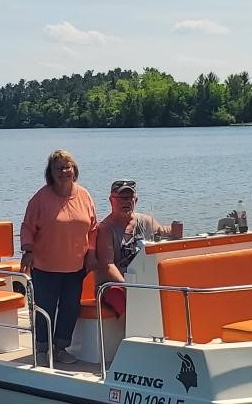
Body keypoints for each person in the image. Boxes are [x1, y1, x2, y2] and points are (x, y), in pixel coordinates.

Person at [20, 149, 97, 364]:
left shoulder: (84, 195)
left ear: (74, 170)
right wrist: (28, 250)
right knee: (44, 308)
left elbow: (93, 229)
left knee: (70, 309)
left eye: (67, 166)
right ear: (50, 173)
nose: (64, 171)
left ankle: (61, 348)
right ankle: (42, 349)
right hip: (46, 266)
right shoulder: (40, 198)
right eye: (58, 168)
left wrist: (91, 254)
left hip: (76, 267)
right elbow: (27, 227)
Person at [96, 179, 179, 317]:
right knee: (126, 297)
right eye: (122, 198)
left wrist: (176, 230)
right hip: (112, 286)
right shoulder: (105, 229)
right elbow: (107, 265)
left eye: (130, 198)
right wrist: (129, 286)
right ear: (111, 200)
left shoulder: (146, 221)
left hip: (144, 282)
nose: (126, 202)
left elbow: (165, 232)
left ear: (136, 200)